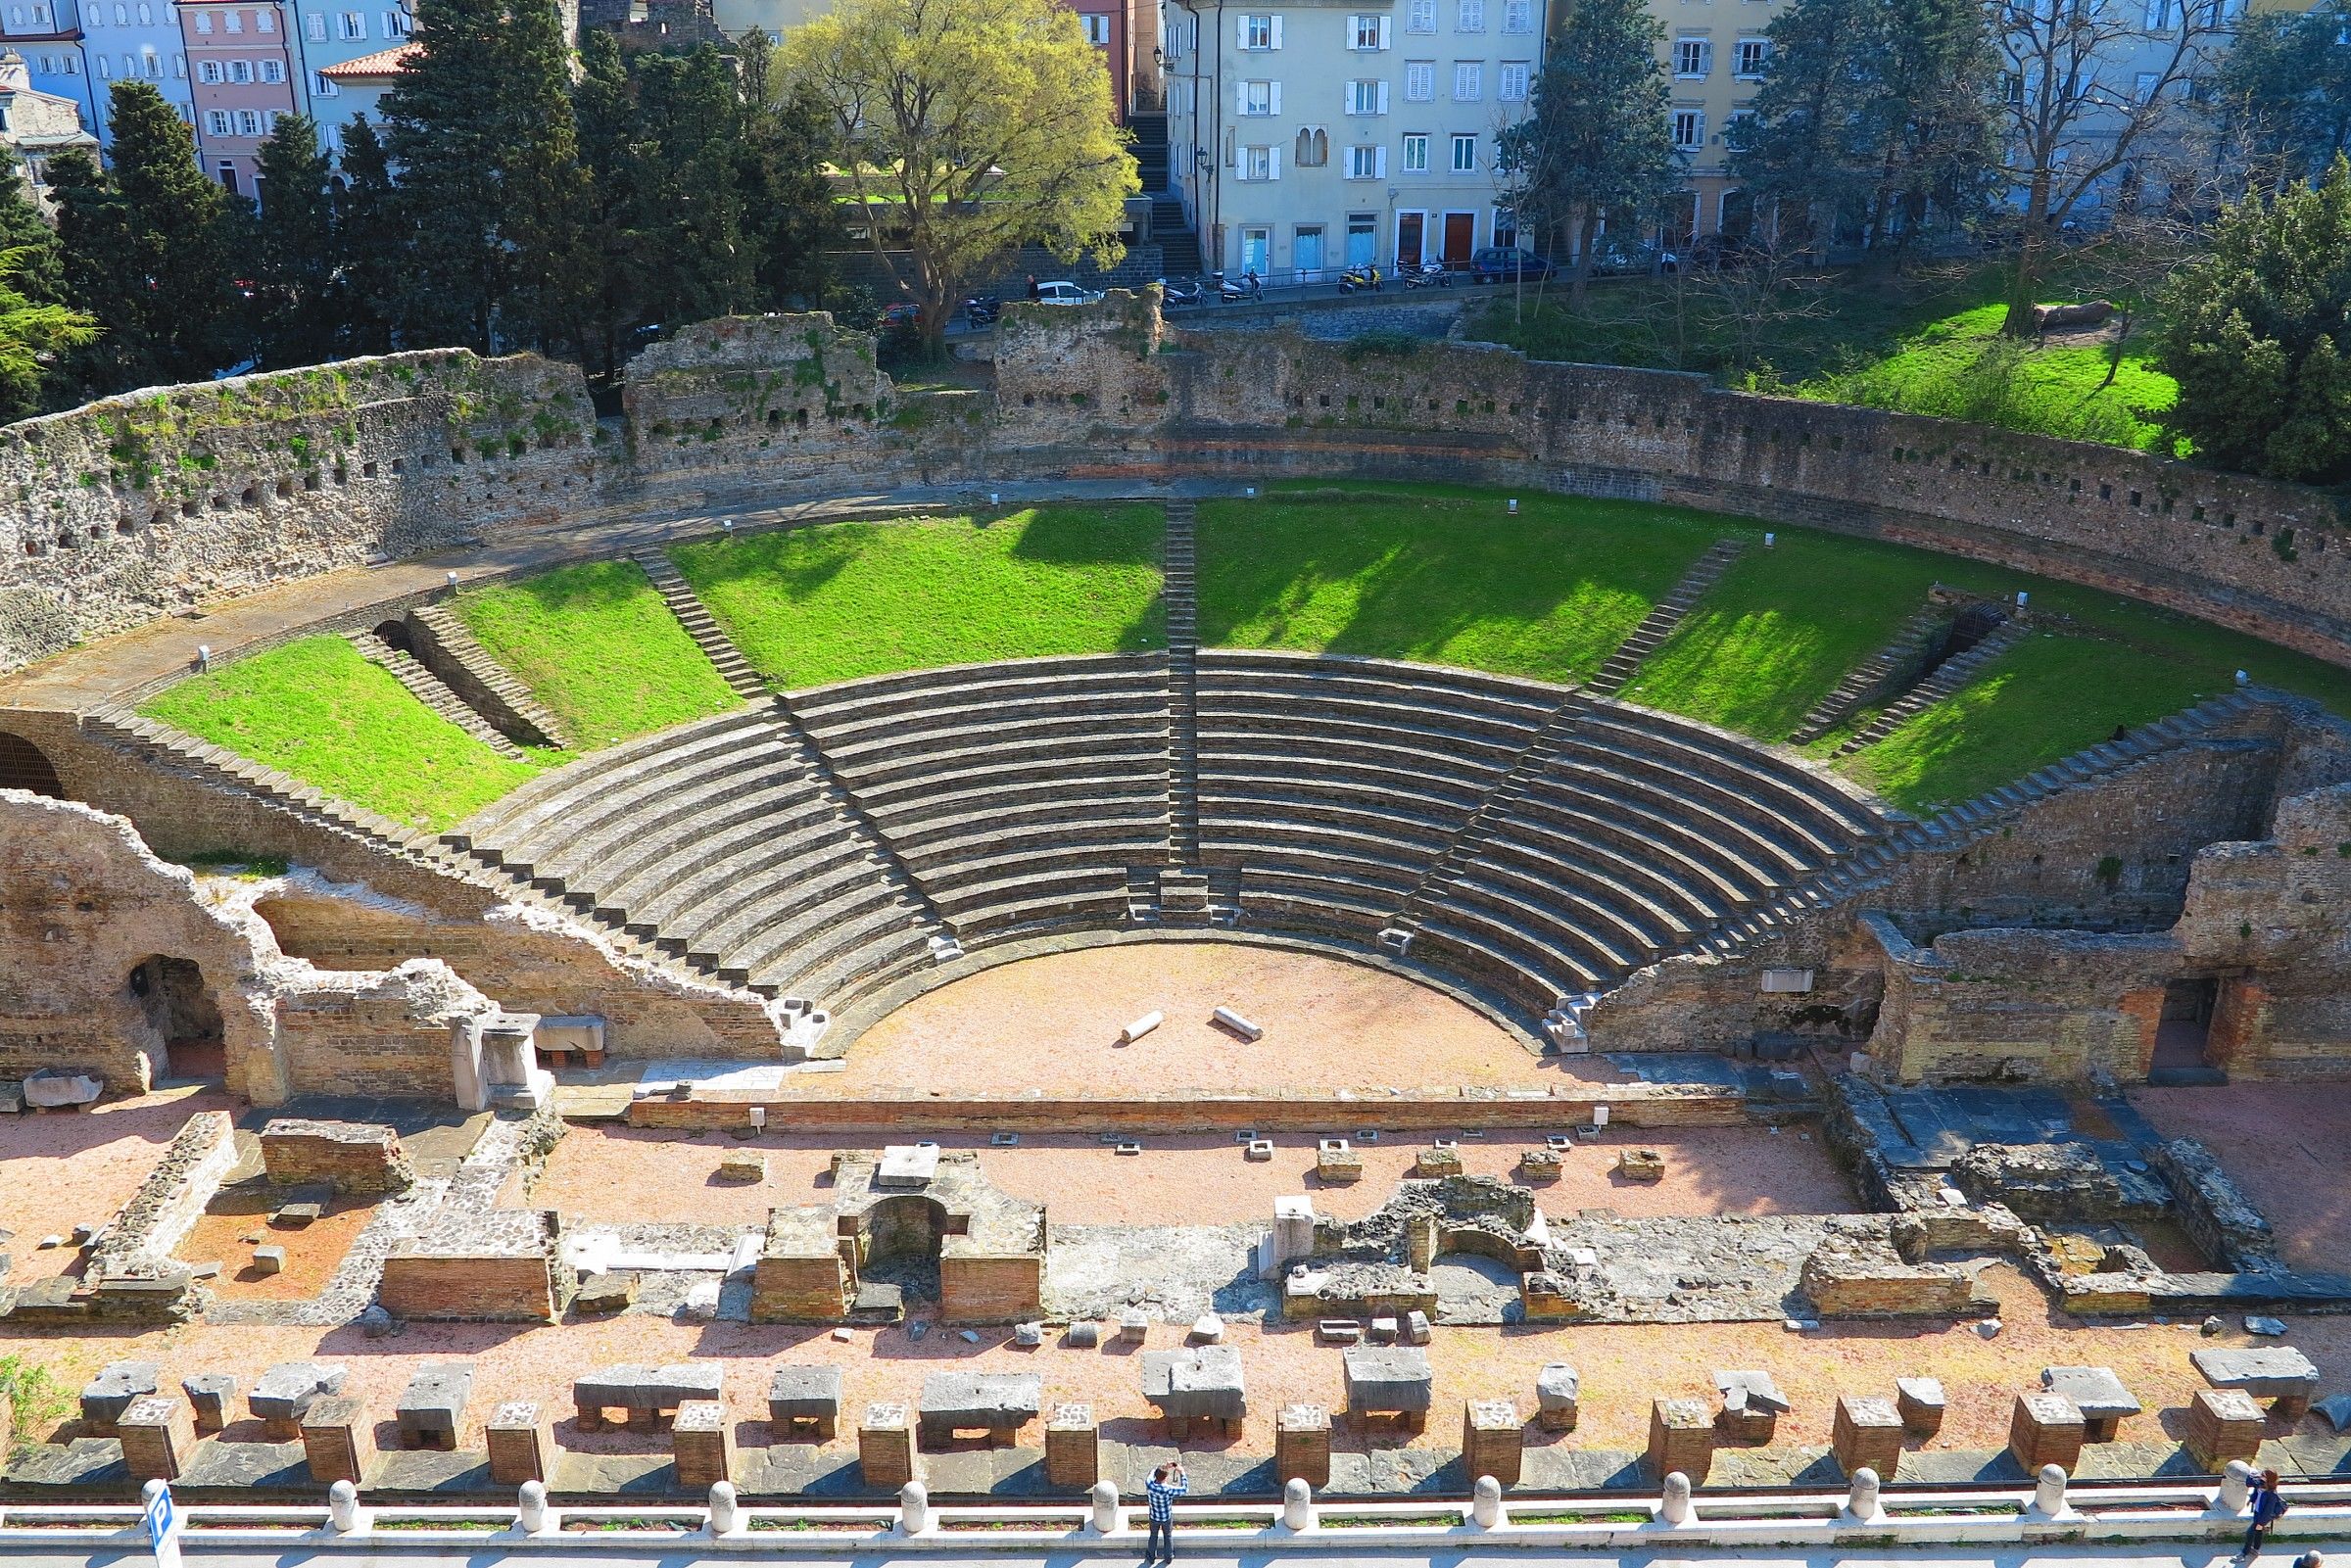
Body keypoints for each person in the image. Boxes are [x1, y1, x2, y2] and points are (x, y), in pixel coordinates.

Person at [1143, 1459, 1186, 1563]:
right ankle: (1168, 1557)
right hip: (1166, 1517)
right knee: (1168, 1536)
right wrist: (1182, 1473)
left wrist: (1164, 1467)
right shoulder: (1168, 1489)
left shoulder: (1149, 1484)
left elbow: (1151, 1472)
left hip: (1154, 1516)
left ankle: (1151, 1557)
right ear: (1166, 1478)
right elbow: (1185, 1489)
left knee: (1153, 1535)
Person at [2242, 1468, 2288, 1560]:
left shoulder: (2272, 1494)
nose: (2261, 1477)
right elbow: (2250, 1483)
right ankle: (2256, 1549)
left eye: (2263, 1476)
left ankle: (2244, 1552)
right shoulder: (2260, 1484)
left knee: (2250, 1533)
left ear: (2269, 1479)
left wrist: (2261, 1523)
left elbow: (2268, 1510)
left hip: (2262, 1515)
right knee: (2258, 1531)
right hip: (2257, 1511)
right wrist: (2251, 1500)